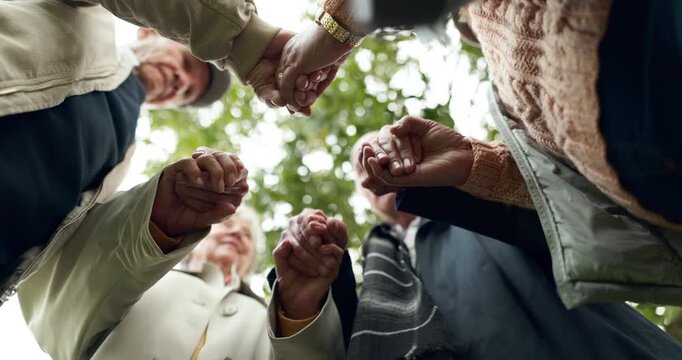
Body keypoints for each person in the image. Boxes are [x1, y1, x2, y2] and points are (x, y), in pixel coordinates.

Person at [0, 0, 327, 296]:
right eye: (186, 61)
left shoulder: (121, 162)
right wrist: (248, 41)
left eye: (186, 94)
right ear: (147, 31)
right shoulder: (83, 14)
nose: (181, 82)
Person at [274, 0, 682, 231]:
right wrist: (474, 163)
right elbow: (570, 190)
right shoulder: (499, 76)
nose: (378, 168)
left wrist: (335, 27)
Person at [280, 132, 682, 359]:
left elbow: (597, 226)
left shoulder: (475, 199)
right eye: (363, 160)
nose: (377, 160)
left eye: (385, 147)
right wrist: (313, 292)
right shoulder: (377, 266)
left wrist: (473, 173)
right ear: (363, 195)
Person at [19, 202, 347, 360]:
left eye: (246, 235)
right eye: (229, 224)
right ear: (201, 235)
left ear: (251, 259)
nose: (237, 233)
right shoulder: (140, 277)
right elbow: (67, 302)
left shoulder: (274, 320)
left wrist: (301, 307)